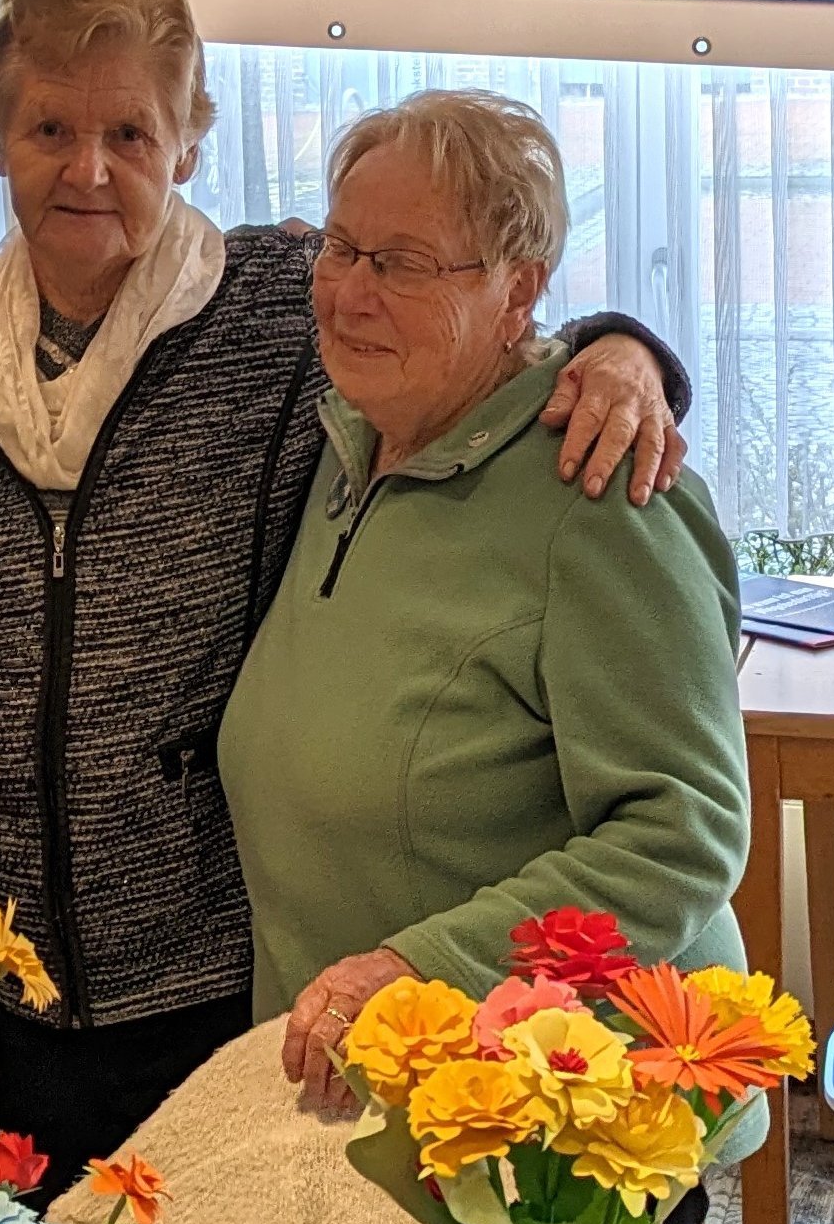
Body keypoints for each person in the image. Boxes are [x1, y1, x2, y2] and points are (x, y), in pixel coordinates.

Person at [0, 0, 683, 1191]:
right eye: (50, 127)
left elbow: (469, 321)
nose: (89, 169)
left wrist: (627, 353)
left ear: (190, 144)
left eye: (131, 131)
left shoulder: (272, 311)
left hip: (200, 974)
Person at [215, 90, 751, 1091]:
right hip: (359, 1082)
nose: (351, 292)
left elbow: (680, 835)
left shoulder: (603, 492)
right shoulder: (344, 437)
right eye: (342, 247)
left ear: (519, 288)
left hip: (557, 1112)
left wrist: (424, 967)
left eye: (407, 263)